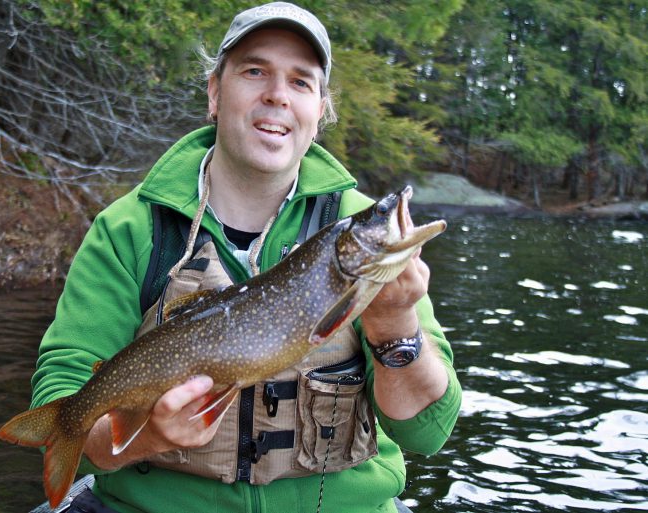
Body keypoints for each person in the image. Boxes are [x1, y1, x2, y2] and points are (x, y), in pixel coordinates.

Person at [29, 3, 461, 512]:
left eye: (301, 82)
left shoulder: (356, 224)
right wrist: (146, 436)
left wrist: (395, 320)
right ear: (215, 92)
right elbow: (63, 400)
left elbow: (427, 434)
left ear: (319, 111)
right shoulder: (129, 229)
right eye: (255, 71)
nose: (277, 95)